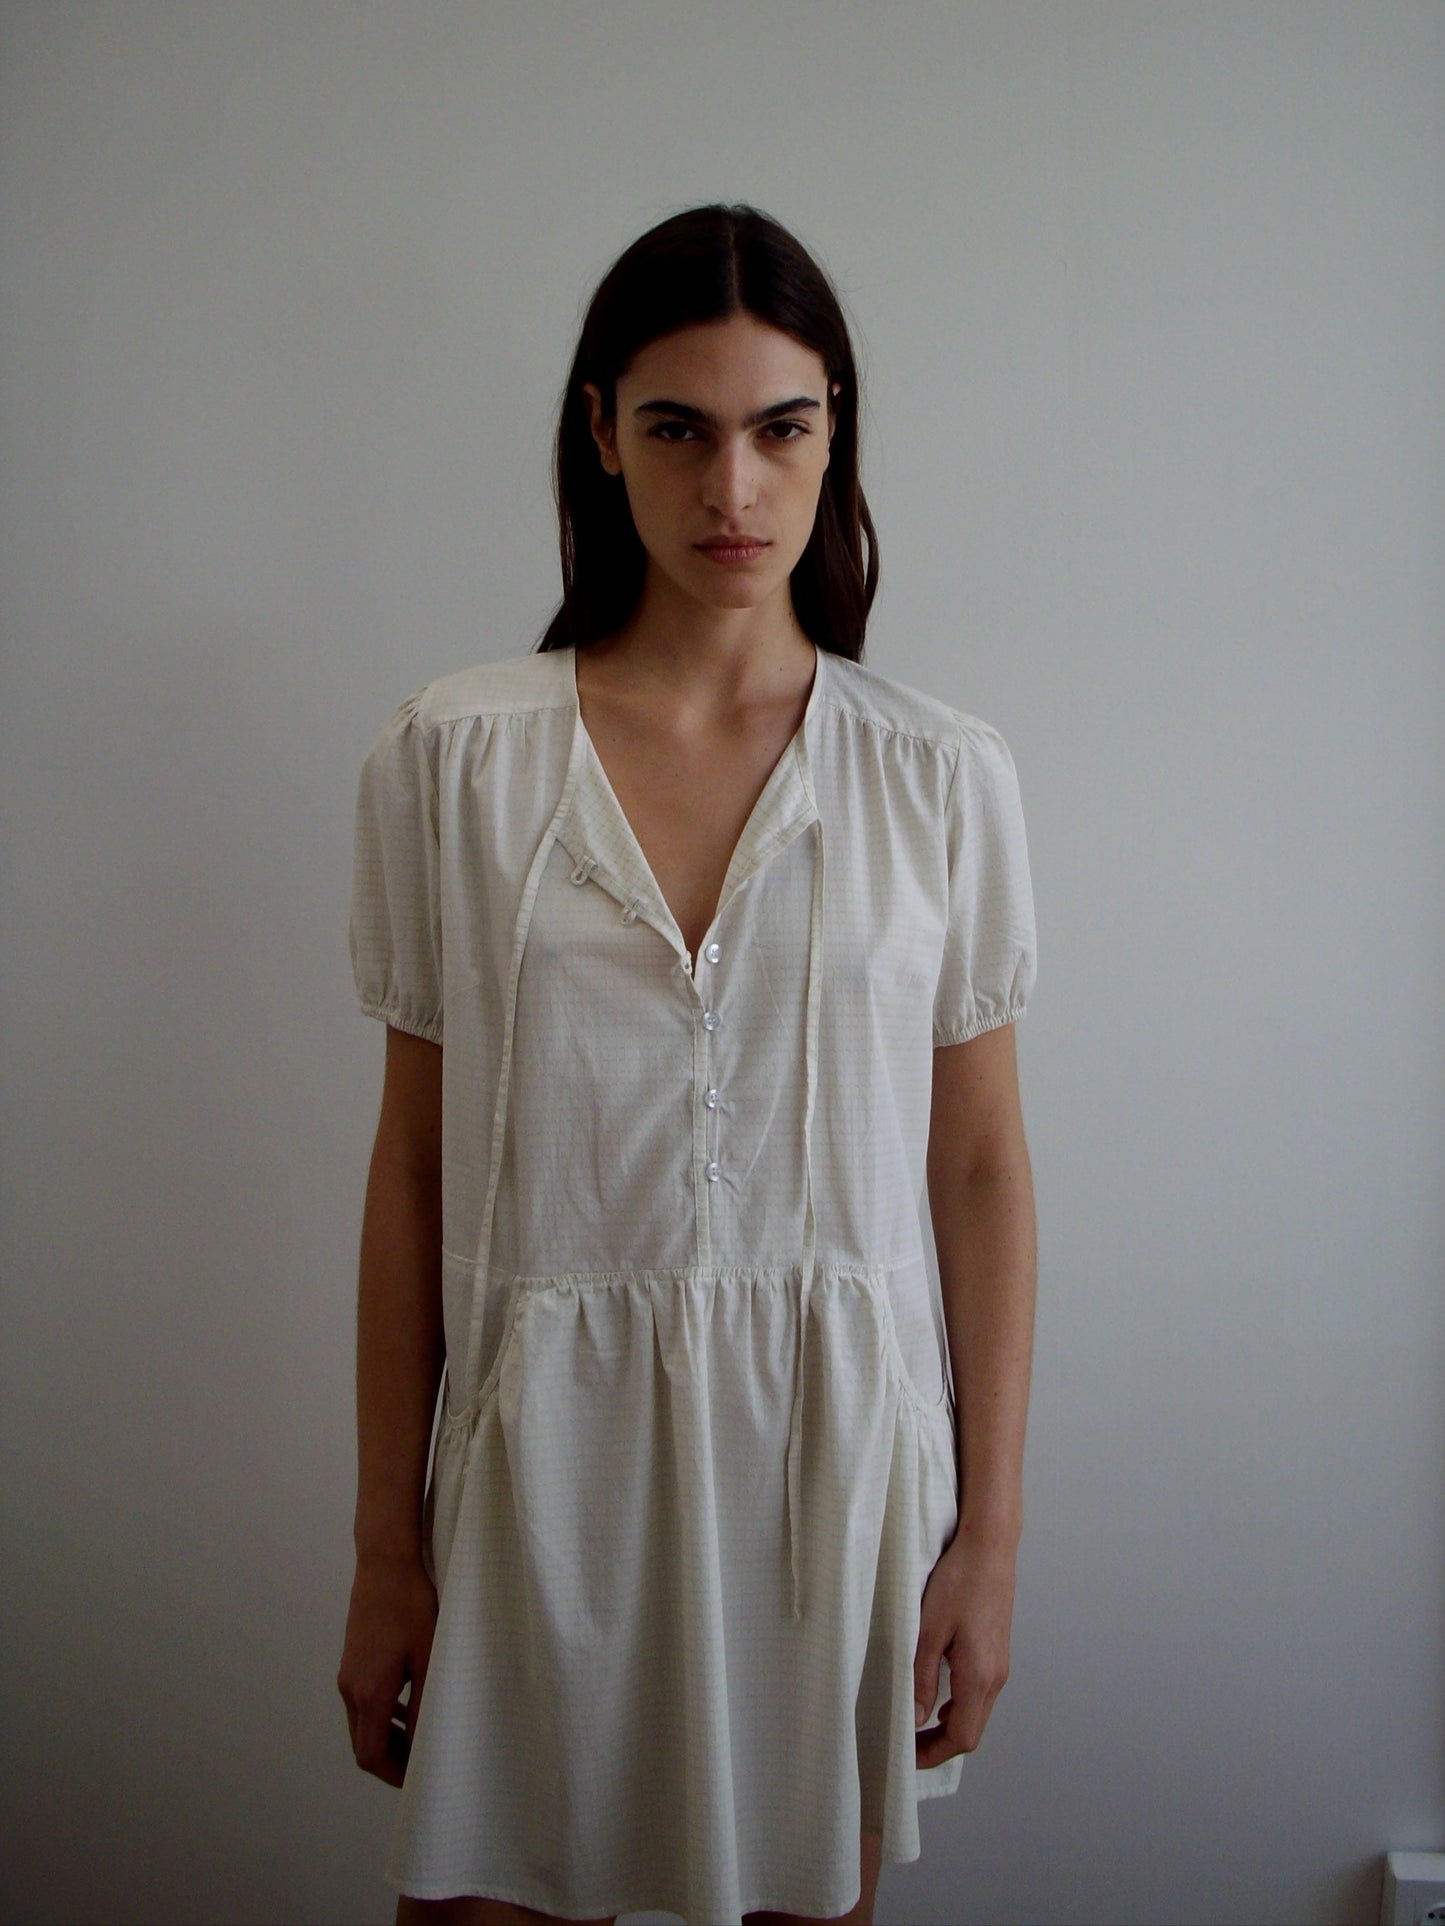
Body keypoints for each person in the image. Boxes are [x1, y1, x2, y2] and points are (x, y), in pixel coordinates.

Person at [339, 203, 1038, 1926]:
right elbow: (415, 1167)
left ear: (833, 434)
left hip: (833, 1484)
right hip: (536, 1478)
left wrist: (990, 1540)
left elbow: (979, 1170)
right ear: (601, 433)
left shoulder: (936, 777)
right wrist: (382, 1544)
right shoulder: (455, 758)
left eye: (780, 429)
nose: (733, 488)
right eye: (679, 428)